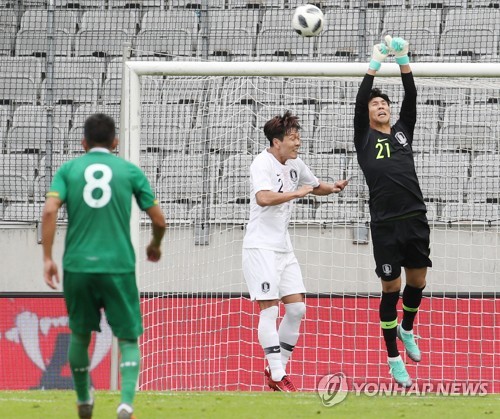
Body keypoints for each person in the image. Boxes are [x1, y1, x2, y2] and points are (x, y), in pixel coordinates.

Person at [42, 113, 166, 419]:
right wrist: (154, 245)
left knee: (80, 335)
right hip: (118, 266)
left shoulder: (69, 170)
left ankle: (84, 399)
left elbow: (48, 211)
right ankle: (125, 405)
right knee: (127, 337)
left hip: (77, 266)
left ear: (83, 142)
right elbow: (160, 219)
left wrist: (47, 257)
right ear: (115, 142)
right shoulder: (129, 171)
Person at [242, 111, 348, 392]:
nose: (298, 142)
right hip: (260, 247)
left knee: (298, 309)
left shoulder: (295, 163)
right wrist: (296, 194)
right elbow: (263, 197)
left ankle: (277, 368)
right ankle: (278, 375)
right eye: (293, 138)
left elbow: (314, 187)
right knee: (269, 311)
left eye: (298, 136)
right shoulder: (261, 163)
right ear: (277, 141)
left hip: (283, 248)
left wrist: (333, 188)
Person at [354, 36, 431, 387]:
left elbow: (411, 97)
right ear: (368, 114)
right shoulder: (364, 139)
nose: (381, 105)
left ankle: (408, 328)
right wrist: (374, 63)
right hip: (385, 225)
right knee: (391, 289)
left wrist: (403, 60)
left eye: (384, 102)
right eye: (376, 104)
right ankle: (393, 359)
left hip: (415, 217)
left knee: (418, 282)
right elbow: (360, 101)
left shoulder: (402, 132)